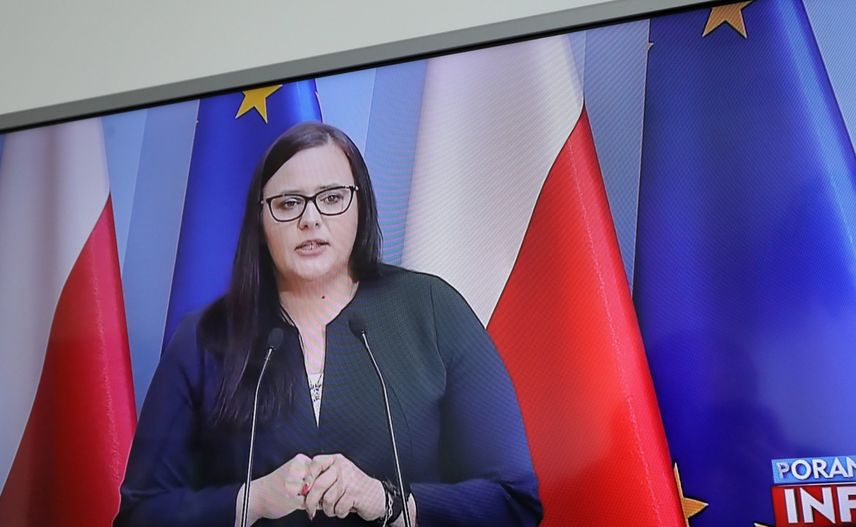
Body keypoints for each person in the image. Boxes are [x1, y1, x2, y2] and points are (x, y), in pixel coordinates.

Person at [115, 122, 542, 527]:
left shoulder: (430, 309)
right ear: (260, 222)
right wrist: (252, 500)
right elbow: (139, 514)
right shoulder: (205, 338)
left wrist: (389, 501)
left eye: (332, 198)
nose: (311, 219)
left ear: (361, 207)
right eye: (288, 203)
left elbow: (513, 500)